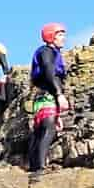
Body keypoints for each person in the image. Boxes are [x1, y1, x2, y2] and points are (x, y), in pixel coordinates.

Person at [27, 22, 70, 173]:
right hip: (48, 95)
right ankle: (39, 167)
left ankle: (35, 167)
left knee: (42, 130)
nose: (63, 38)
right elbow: (48, 70)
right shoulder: (47, 51)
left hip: (43, 96)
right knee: (47, 130)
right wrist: (59, 94)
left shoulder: (48, 52)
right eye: (60, 35)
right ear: (51, 36)